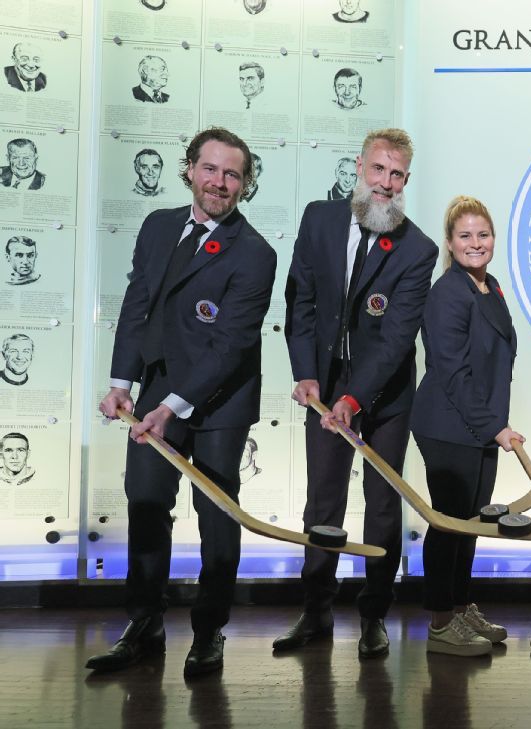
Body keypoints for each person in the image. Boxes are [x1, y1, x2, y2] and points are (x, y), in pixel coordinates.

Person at [87, 127, 276, 679]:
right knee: (145, 503)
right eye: (211, 169)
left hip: (219, 402)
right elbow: (137, 304)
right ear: (190, 169)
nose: (220, 182)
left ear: (245, 183)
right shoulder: (158, 226)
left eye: (233, 174)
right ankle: (143, 623)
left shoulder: (256, 254)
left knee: (217, 517)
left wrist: (171, 407)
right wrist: (123, 382)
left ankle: (208, 632)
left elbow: (230, 345)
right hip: (155, 392)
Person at [278, 128, 436, 660]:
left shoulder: (418, 248)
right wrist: (306, 373)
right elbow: (299, 299)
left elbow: (396, 339)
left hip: (385, 392)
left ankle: (374, 613)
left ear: (406, 181)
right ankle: (317, 608)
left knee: (383, 504)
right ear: (359, 168)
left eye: (396, 175)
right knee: (323, 499)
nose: (386, 183)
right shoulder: (318, 219)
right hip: (325, 382)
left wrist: (356, 399)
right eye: (378, 170)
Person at [412, 196, 519, 657]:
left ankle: (459, 607)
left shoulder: (488, 286)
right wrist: (495, 427)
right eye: (465, 236)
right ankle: (440, 624)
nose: (476, 243)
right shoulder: (448, 293)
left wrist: (492, 425)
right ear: (450, 244)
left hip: (478, 425)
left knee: (472, 523)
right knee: (450, 523)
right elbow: (453, 374)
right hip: (447, 424)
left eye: (483, 234)